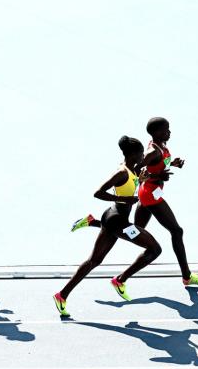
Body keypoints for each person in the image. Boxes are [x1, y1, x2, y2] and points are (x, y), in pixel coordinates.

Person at [52, 136, 163, 318]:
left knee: (94, 261)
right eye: (141, 153)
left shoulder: (132, 169)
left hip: (114, 219)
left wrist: (143, 179)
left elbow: (134, 180)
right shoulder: (122, 172)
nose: (143, 156)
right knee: (155, 249)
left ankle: (61, 295)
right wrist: (124, 199)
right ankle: (120, 280)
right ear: (134, 154)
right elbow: (98, 193)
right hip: (117, 221)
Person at [133, 117, 198, 287]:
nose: (169, 132)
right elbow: (135, 169)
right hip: (151, 195)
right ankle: (187, 276)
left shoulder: (161, 145)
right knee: (177, 231)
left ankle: (95, 222)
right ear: (156, 132)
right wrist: (157, 176)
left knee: (132, 231)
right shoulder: (153, 151)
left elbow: (156, 165)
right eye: (166, 130)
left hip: (148, 192)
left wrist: (172, 164)